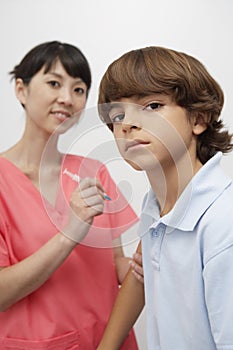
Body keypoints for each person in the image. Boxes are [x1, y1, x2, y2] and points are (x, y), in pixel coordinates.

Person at [0, 41, 142, 349]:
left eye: (79, 89)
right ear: (21, 90)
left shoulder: (94, 171)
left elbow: (115, 264)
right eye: (54, 83)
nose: (67, 98)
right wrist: (70, 233)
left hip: (109, 339)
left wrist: (147, 264)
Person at [97, 46, 233, 349]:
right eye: (118, 114)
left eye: (153, 105)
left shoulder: (223, 224)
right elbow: (140, 276)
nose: (127, 124)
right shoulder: (155, 206)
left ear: (198, 119)